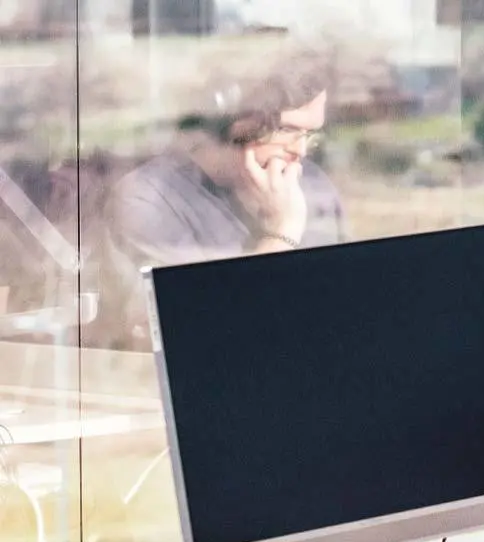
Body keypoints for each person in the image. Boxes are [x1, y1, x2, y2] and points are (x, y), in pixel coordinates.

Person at [97, 52, 345, 347]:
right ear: (233, 121)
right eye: (288, 130)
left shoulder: (311, 184)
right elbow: (206, 330)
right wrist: (282, 233)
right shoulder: (148, 200)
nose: (300, 151)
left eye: (310, 133)